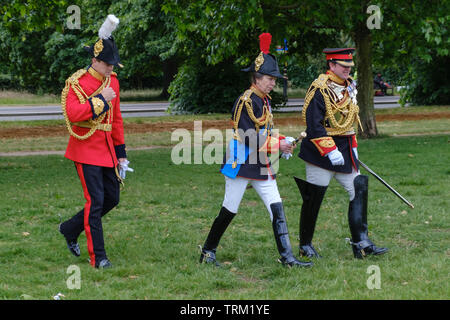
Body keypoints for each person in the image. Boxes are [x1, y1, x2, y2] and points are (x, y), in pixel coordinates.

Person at [199, 33, 312, 268]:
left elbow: (265, 132)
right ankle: (208, 251)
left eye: (274, 79)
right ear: (257, 78)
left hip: (260, 162)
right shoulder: (246, 101)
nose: (273, 83)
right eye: (270, 79)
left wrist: (283, 140)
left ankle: (287, 257)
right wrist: (277, 145)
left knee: (276, 206)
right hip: (241, 162)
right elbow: (249, 137)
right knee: (230, 209)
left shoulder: (264, 100)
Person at [294, 48, 388, 259]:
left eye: (349, 67)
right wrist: (330, 149)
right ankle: (305, 245)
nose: (347, 70)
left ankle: (361, 243)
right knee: (314, 198)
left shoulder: (349, 87)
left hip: (344, 150)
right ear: (332, 65)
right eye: (343, 66)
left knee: (358, 188)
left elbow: (350, 119)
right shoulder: (319, 89)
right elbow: (313, 124)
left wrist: (352, 145)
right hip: (320, 153)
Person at [58, 15, 132, 269]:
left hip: (107, 151)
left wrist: (121, 152)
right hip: (84, 149)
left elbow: (117, 119)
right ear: (95, 61)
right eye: (107, 64)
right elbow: (73, 114)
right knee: (96, 201)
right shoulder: (77, 82)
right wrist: (100, 100)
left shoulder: (113, 82)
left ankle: (70, 228)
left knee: (112, 198)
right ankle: (98, 257)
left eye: (113, 64)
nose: (111, 68)